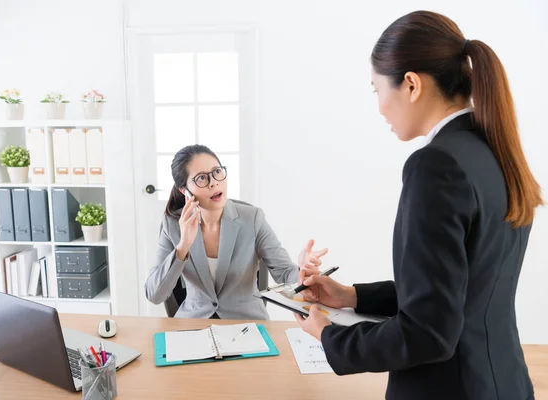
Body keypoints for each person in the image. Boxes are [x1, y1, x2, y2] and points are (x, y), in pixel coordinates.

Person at [294, 10, 541, 400]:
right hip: (505, 382)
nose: (379, 107)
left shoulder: (435, 164)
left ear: (411, 84)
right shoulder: (494, 150)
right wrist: (350, 296)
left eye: (377, 91)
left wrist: (330, 336)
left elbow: (427, 334)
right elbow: (457, 292)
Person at [145, 144, 327, 320]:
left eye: (217, 172)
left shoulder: (252, 218)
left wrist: (303, 272)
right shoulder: (173, 224)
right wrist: (183, 247)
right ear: (184, 189)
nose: (214, 183)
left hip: (247, 323)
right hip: (195, 324)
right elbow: (154, 295)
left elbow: (285, 273)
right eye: (201, 178)